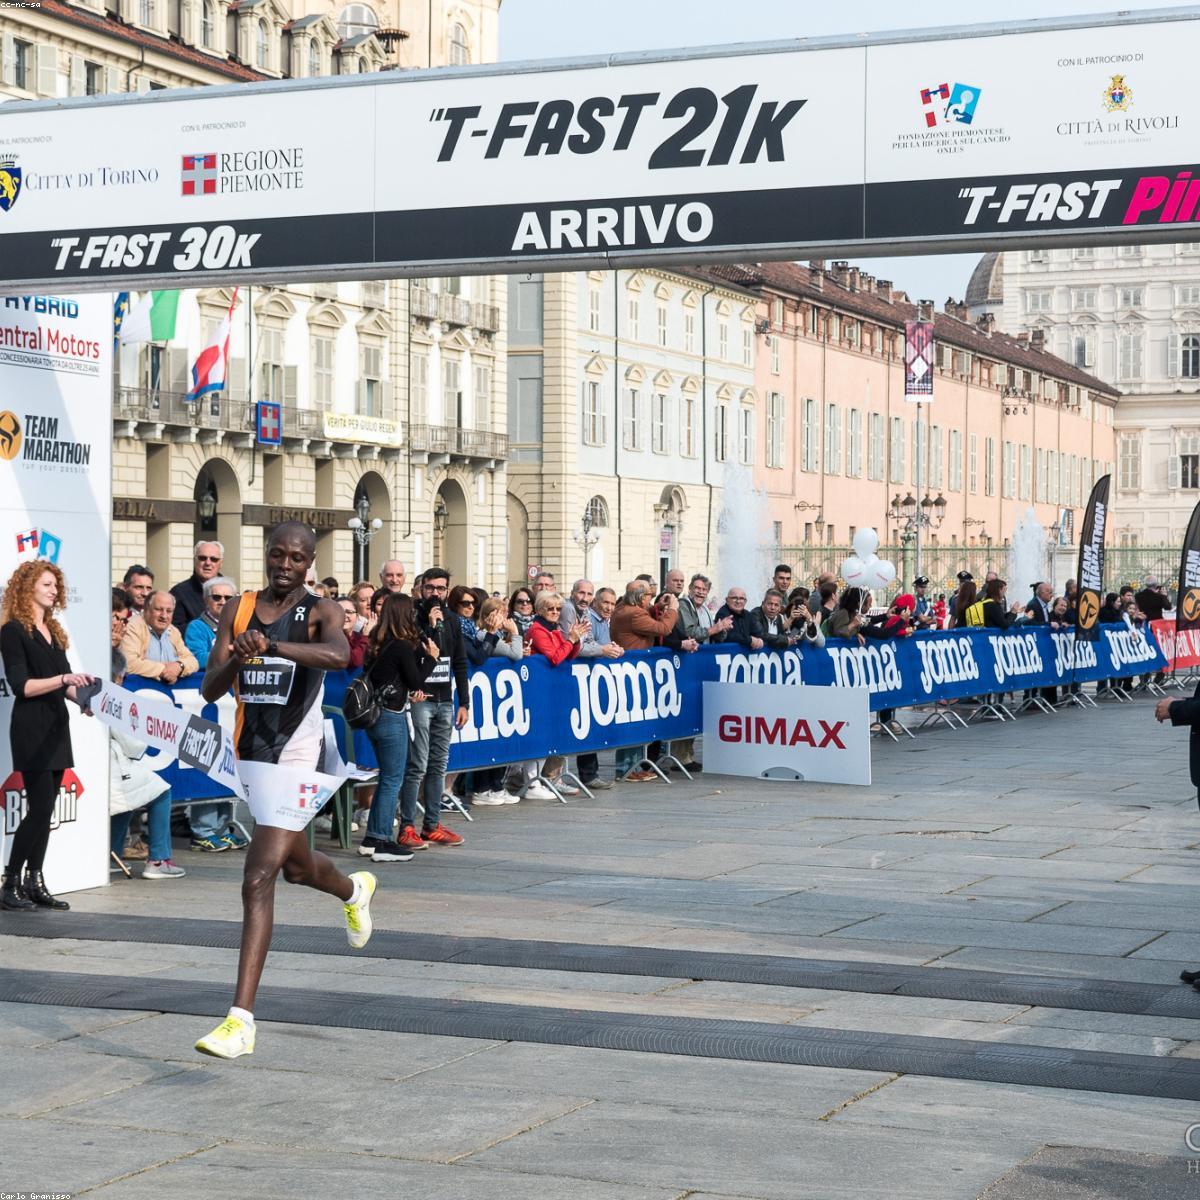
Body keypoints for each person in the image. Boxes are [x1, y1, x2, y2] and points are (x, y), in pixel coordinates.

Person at [193, 521, 374, 1061]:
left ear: (310, 562)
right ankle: (353, 891)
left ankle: (240, 1021)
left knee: (258, 876)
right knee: (295, 868)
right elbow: (210, 688)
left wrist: (273, 645)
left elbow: (339, 656)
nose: (286, 565)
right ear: (267, 554)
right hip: (253, 753)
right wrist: (238, 655)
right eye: (278, 555)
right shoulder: (239, 608)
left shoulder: (321, 610)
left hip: (298, 755)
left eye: (297, 558)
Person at [0, 561, 96, 911]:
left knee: (47, 810)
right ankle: (10, 882)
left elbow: (66, 682)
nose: (54, 591)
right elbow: (22, 686)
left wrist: (84, 700)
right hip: (31, 729)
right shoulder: (13, 631)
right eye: (46, 584)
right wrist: (64, 680)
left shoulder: (53, 631)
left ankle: (34, 880)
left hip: (57, 727)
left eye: (56, 585)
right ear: (28, 588)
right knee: (40, 808)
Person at [359, 592, 440, 862]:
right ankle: (382, 841)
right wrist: (432, 658)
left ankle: (372, 839)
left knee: (387, 777)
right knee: (393, 779)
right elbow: (416, 680)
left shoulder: (378, 642)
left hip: (375, 716)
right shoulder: (402, 646)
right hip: (391, 718)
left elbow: (395, 680)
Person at [109, 617, 186, 882]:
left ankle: (111, 854)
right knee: (160, 791)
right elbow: (134, 746)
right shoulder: (114, 697)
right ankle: (158, 860)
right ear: (120, 676)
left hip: (105, 770)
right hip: (113, 767)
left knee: (130, 796)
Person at [396, 568, 468, 851]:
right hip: (420, 698)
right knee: (418, 764)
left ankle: (432, 825)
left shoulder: (452, 619)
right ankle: (407, 826)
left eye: (440, 588)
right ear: (421, 589)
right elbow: (413, 653)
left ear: (447, 590)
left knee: (439, 764)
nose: (435, 593)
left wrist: (464, 702)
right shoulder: (413, 617)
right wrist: (429, 625)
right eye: (430, 588)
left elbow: (459, 661)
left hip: (445, 700)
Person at [610, 582, 677, 782]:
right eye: (649, 595)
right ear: (641, 598)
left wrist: (657, 607)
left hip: (634, 672)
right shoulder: (634, 614)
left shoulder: (623, 608)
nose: (650, 598)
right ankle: (626, 769)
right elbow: (663, 628)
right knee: (632, 721)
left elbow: (643, 617)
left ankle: (635, 766)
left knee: (636, 720)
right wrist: (672, 609)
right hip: (633, 673)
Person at [471, 598, 525, 805]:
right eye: (501, 614)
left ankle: (496, 785)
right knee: (489, 745)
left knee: (500, 743)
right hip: (489, 697)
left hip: (499, 697)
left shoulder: (495, 636)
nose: (505, 618)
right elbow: (516, 654)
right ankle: (482, 788)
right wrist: (516, 633)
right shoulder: (484, 634)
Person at [120, 591, 200, 683]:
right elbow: (128, 664)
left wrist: (179, 666)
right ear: (146, 609)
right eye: (158, 609)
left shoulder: (173, 631)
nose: (164, 616)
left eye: (169, 611)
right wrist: (163, 670)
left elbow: (193, 662)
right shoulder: (132, 627)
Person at [170, 541, 225, 632]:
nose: (208, 563)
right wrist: (205, 626)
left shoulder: (231, 593)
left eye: (214, 559)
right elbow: (173, 630)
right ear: (195, 561)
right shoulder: (178, 593)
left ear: (221, 563)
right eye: (202, 558)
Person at [184, 576, 237, 669]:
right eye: (216, 597)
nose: (223, 602)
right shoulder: (196, 627)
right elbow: (196, 659)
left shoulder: (240, 624)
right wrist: (233, 654)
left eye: (228, 598)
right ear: (206, 600)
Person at [337, 598, 369, 669]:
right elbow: (355, 661)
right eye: (340, 612)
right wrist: (365, 637)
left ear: (357, 617)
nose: (345, 615)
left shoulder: (360, 637)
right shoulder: (330, 637)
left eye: (349, 612)